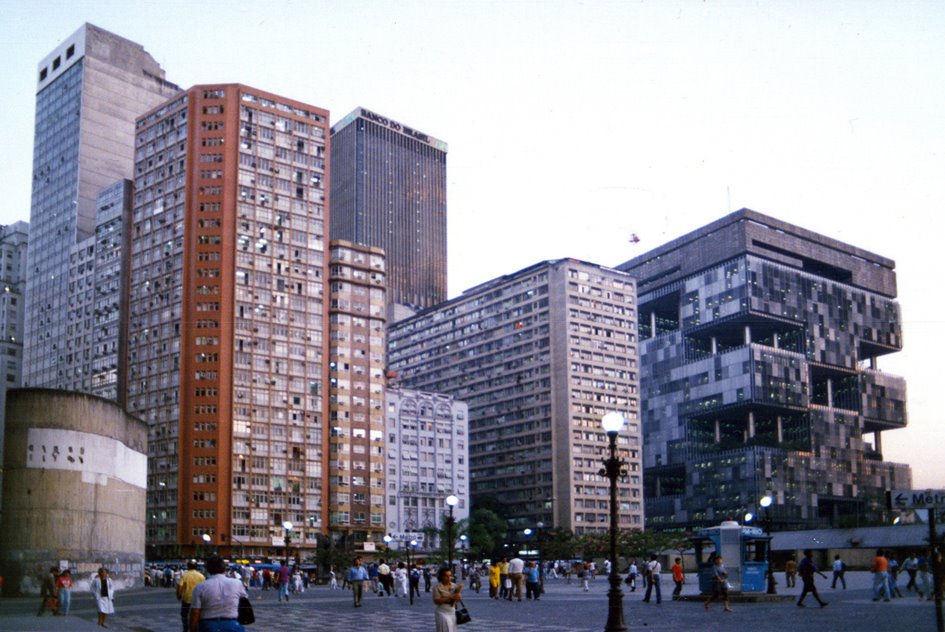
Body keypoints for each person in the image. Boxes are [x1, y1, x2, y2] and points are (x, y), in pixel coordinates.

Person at [189, 556, 248, 632]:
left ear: (208, 570)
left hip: (208, 625)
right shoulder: (237, 583)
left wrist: (192, 629)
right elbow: (244, 601)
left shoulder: (200, 587)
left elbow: (195, 612)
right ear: (224, 569)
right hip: (232, 624)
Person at [177, 560, 205, 632]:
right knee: (197, 615)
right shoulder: (201, 576)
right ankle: (195, 628)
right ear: (196, 567)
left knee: (184, 614)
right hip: (198, 600)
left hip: (186, 598)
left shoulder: (185, 575)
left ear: (188, 566)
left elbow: (180, 586)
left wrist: (179, 595)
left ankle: (185, 629)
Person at [433, 566, 463, 632]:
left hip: (452, 612)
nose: (449, 578)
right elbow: (436, 601)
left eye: (450, 575)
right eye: (446, 576)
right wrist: (450, 597)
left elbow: (456, 601)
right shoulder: (437, 587)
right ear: (441, 577)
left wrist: (458, 597)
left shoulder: (454, 586)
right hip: (442, 612)